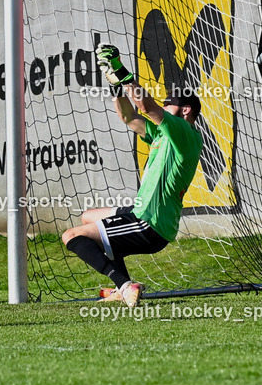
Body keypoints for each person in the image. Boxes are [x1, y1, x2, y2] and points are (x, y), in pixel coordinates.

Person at [61, 43, 203, 308]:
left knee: (71, 235)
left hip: (150, 222)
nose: (163, 107)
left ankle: (124, 286)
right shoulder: (163, 135)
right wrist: (115, 86)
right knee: (89, 216)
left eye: (168, 105)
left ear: (184, 111)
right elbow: (129, 116)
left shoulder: (185, 133)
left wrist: (120, 71)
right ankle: (123, 285)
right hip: (143, 211)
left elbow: (146, 107)